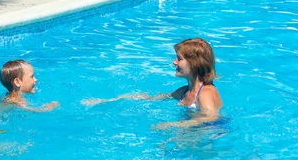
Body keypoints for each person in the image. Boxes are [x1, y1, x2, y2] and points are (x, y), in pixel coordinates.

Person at [82, 38, 223, 128]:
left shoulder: (205, 93)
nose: (174, 62)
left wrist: (173, 125)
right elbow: (154, 98)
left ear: (194, 64)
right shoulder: (183, 91)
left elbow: (212, 118)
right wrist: (109, 100)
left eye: (179, 59)